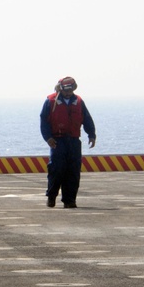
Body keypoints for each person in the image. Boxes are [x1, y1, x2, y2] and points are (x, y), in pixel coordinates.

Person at [39, 76, 96, 209]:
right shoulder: (50, 101)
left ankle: (69, 200)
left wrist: (91, 135)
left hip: (74, 141)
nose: (68, 93)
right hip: (57, 141)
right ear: (60, 88)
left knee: (73, 171)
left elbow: (87, 119)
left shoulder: (79, 101)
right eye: (66, 90)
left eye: (71, 90)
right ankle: (51, 196)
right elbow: (44, 121)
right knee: (56, 169)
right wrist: (48, 138)